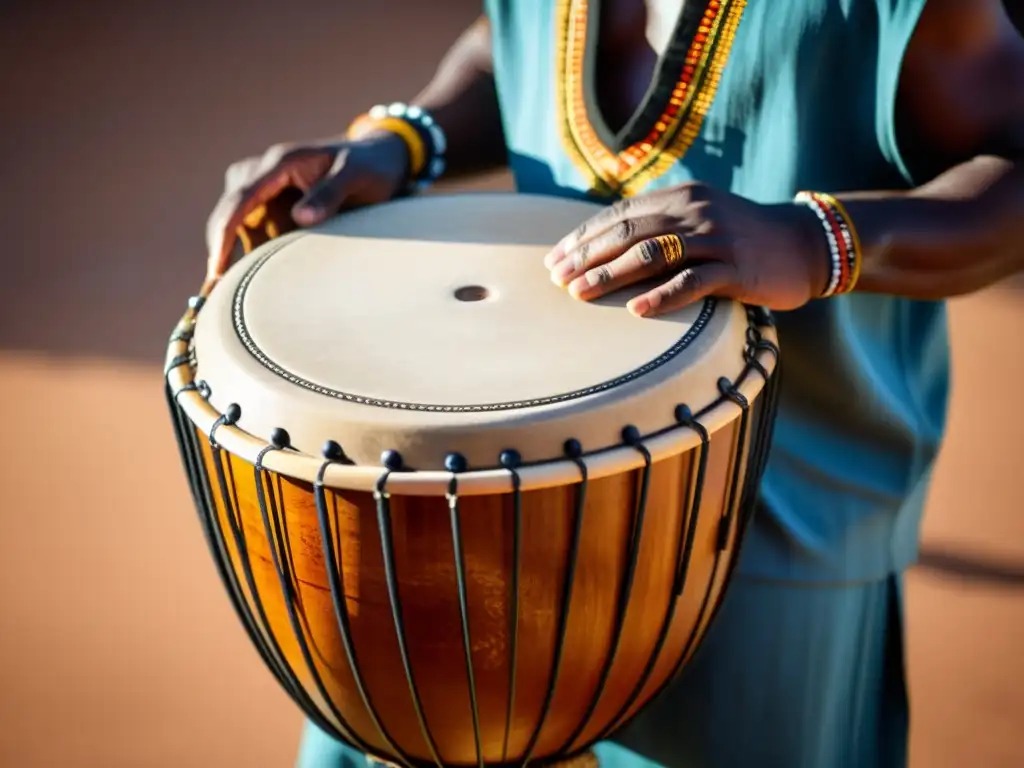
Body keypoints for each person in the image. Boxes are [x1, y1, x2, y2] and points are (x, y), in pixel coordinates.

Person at [206, 1, 1024, 766]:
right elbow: (512, 45)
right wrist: (405, 140)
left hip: (768, 531)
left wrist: (813, 241)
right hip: (487, 491)